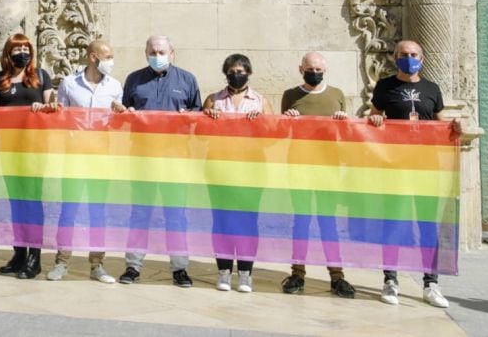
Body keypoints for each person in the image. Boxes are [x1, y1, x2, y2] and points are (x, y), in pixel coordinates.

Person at [368, 39, 460, 309]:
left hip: (426, 169)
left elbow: (441, 123)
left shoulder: (432, 88)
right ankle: (390, 280)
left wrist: (456, 125)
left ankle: (431, 283)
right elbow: (375, 114)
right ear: (395, 58)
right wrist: (375, 120)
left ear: (423, 58)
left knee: (428, 226)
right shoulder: (385, 86)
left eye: (413, 54)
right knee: (393, 224)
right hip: (394, 167)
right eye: (403, 54)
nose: (409, 58)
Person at [113, 35, 201, 287]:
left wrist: (190, 117)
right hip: (142, 159)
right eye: (153, 51)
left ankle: (180, 269)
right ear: (145, 53)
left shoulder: (187, 80)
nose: (157, 56)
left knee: (176, 215)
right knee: (140, 214)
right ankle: (132, 266)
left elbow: (198, 114)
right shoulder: (133, 80)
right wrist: (124, 113)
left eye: (162, 51)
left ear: (172, 53)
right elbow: (122, 114)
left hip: (176, 160)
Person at [279, 52, 356, 299]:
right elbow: (282, 132)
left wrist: (344, 122)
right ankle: (297, 273)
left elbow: (348, 135)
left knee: (328, 223)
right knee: (301, 221)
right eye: (311, 68)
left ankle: (337, 276)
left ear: (326, 70)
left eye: (320, 69)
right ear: (301, 68)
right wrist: (288, 120)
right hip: (299, 167)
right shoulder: (290, 95)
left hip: (328, 169)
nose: (315, 72)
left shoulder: (337, 95)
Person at [47, 39, 123, 284]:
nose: (110, 61)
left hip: (101, 159)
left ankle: (97, 264)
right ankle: (62, 262)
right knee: (68, 210)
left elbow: (118, 126)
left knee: (98, 212)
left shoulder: (115, 86)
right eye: (107, 56)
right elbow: (60, 120)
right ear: (92, 57)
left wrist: (121, 114)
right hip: (74, 158)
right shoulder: (69, 84)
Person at [203, 53, 272, 293]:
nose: (237, 75)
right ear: (226, 73)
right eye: (232, 71)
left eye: (241, 71)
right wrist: (207, 118)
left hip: (251, 171)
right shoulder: (213, 99)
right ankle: (223, 271)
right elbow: (200, 134)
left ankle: (245, 273)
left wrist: (261, 121)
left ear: (249, 74)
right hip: (219, 169)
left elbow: (273, 135)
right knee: (222, 220)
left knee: (247, 221)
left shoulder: (260, 101)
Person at [0, 34, 55, 280]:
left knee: (33, 201)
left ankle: (34, 257)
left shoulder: (41, 77)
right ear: (8, 53)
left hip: (34, 148)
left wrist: (44, 108)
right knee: (15, 201)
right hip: (8, 148)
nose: (22, 53)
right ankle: (18, 253)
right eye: (16, 49)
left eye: (25, 48)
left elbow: (52, 106)